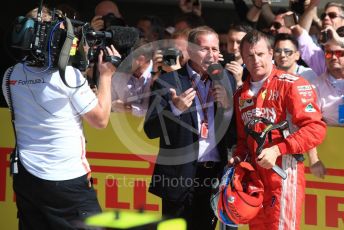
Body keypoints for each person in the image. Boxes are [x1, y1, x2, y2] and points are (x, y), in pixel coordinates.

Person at [2, 6, 120, 229]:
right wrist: (106, 76)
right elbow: (100, 120)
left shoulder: (10, 75)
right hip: (67, 178)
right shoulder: (68, 76)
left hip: (27, 178)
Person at [229, 30, 326, 229]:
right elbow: (242, 141)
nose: (255, 60)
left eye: (260, 54)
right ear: (243, 59)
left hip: (283, 174)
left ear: (271, 53)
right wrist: (237, 160)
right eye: (249, 55)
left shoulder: (293, 84)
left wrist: (277, 149)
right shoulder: (241, 94)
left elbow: (315, 129)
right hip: (254, 181)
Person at [144, 26, 236, 230]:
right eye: (205, 49)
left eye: (215, 48)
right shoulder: (168, 81)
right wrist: (174, 110)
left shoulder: (226, 80)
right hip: (179, 177)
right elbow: (150, 130)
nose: (211, 54)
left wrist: (228, 108)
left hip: (213, 176)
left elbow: (235, 131)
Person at [273, 33, 326, 179]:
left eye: (288, 51)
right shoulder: (269, 76)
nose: (282, 55)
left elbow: (311, 121)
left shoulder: (310, 77)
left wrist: (313, 158)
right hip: (275, 149)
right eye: (278, 51)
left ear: (297, 55)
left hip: (301, 147)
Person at [111, 38, 153, 117]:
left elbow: (150, 109)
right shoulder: (120, 74)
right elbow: (111, 104)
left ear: (141, 59)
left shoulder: (156, 76)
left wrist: (128, 108)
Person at [225, 23, 253, 89]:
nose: (234, 47)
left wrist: (239, 82)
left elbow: (256, 98)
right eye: (231, 41)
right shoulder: (219, 62)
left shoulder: (255, 68)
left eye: (239, 42)